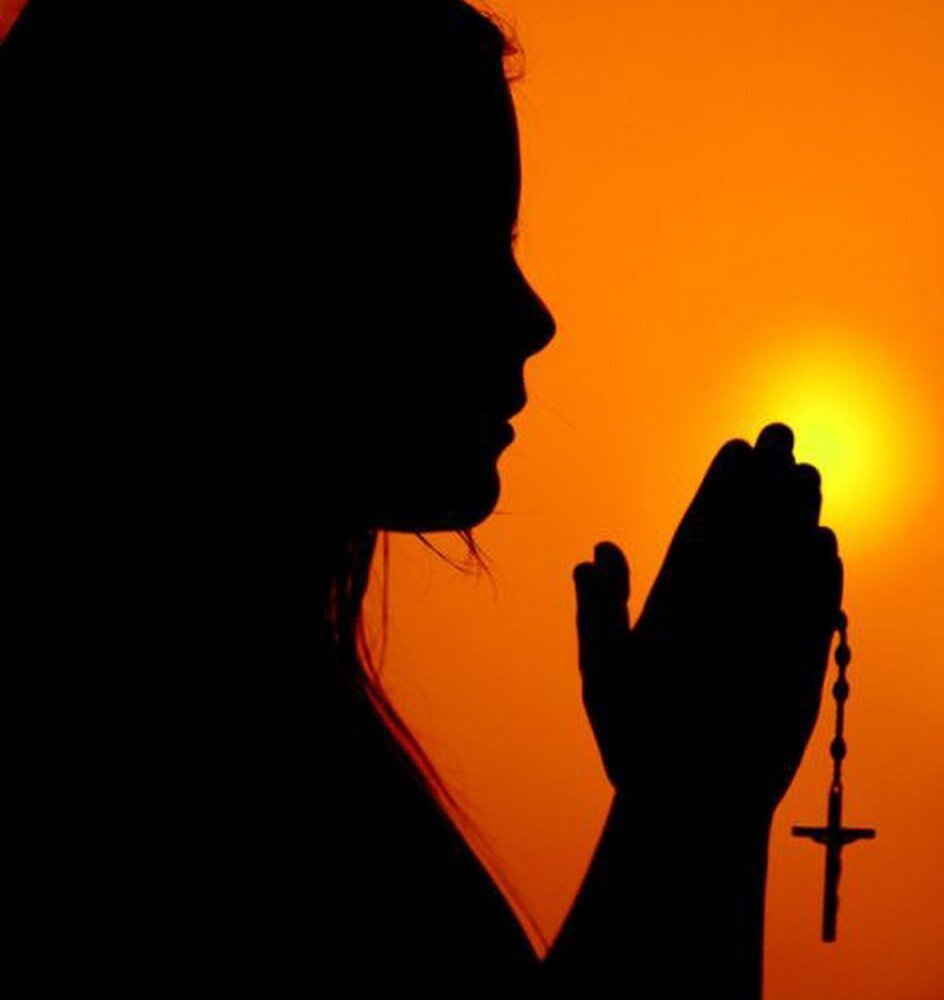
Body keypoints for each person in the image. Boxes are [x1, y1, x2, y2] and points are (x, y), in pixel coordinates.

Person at [8, 2, 842, 995]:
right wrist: (692, 799)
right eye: (460, 246)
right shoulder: (205, 772)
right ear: (267, 266)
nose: (532, 318)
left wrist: (689, 794)